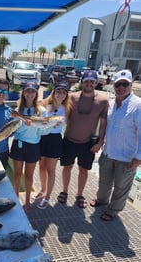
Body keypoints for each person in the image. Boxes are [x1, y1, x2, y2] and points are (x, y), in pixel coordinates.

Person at [90, 69, 141, 221]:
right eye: (118, 84)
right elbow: (105, 125)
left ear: (131, 84)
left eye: (125, 84)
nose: (121, 87)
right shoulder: (110, 104)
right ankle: (102, 201)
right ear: (114, 85)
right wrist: (100, 141)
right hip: (108, 152)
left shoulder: (138, 105)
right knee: (104, 182)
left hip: (127, 156)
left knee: (121, 187)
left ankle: (113, 210)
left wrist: (139, 157)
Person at [57, 70, 109, 208]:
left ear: (96, 83)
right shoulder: (72, 97)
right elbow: (62, 115)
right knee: (66, 167)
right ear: (82, 82)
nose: (89, 84)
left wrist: (100, 142)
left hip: (88, 143)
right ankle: (64, 191)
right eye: (86, 81)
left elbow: (103, 124)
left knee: (83, 170)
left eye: (92, 81)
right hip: (69, 140)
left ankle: (79, 194)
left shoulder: (103, 101)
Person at [10, 81, 47, 212]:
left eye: (32, 91)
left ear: (36, 93)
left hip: (33, 146)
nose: (30, 93)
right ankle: (15, 198)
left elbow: (43, 131)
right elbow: (14, 129)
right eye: (27, 91)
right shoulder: (17, 109)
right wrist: (23, 124)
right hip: (19, 144)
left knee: (29, 176)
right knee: (17, 174)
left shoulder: (41, 111)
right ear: (23, 92)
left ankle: (27, 201)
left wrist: (46, 125)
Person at [35, 81, 72, 209]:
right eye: (58, 91)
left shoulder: (67, 109)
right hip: (42, 138)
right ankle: (43, 189)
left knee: (51, 169)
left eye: (63, 92)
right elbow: (37, 122)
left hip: (55, 140)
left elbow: (70, 126)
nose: (60, 94)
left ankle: (47, 197)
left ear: (66, 95)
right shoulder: (44, 105)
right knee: (41, 166)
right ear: (54, 92)